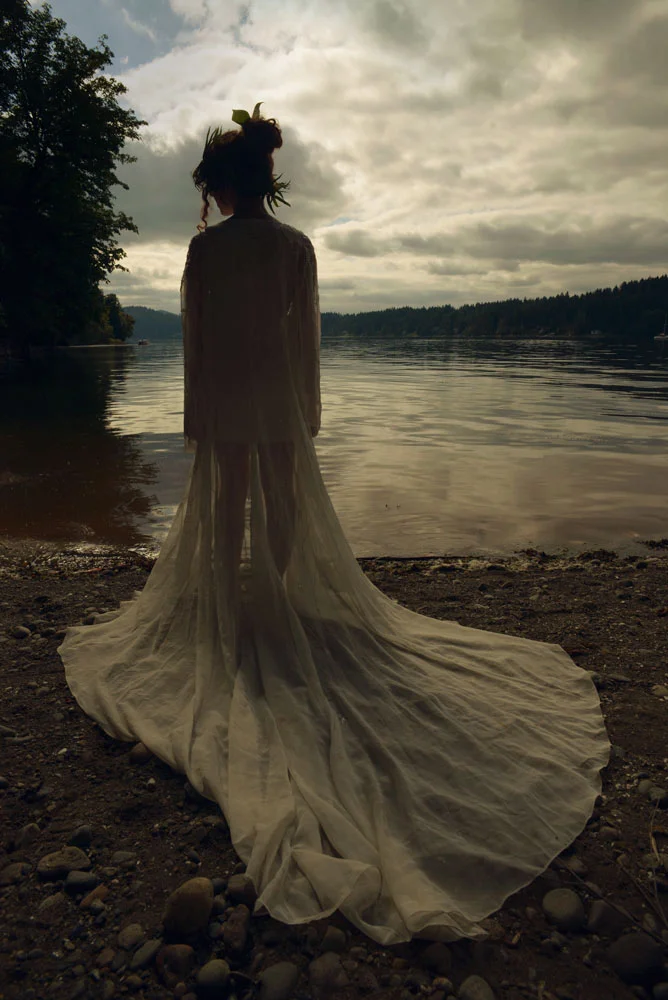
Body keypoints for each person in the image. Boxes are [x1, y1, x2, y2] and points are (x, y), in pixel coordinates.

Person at [58, 107, 609, 946]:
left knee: (220, 515)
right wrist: (307, 414)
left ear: (220, 183)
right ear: (265, 178)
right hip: (276, 401)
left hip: (229, 400)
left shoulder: (207, 252)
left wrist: (196, 417)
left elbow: (199, 342)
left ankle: (235, 619)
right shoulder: (297, 247)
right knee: (278, 515)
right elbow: (305, 341)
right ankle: (277, 609)